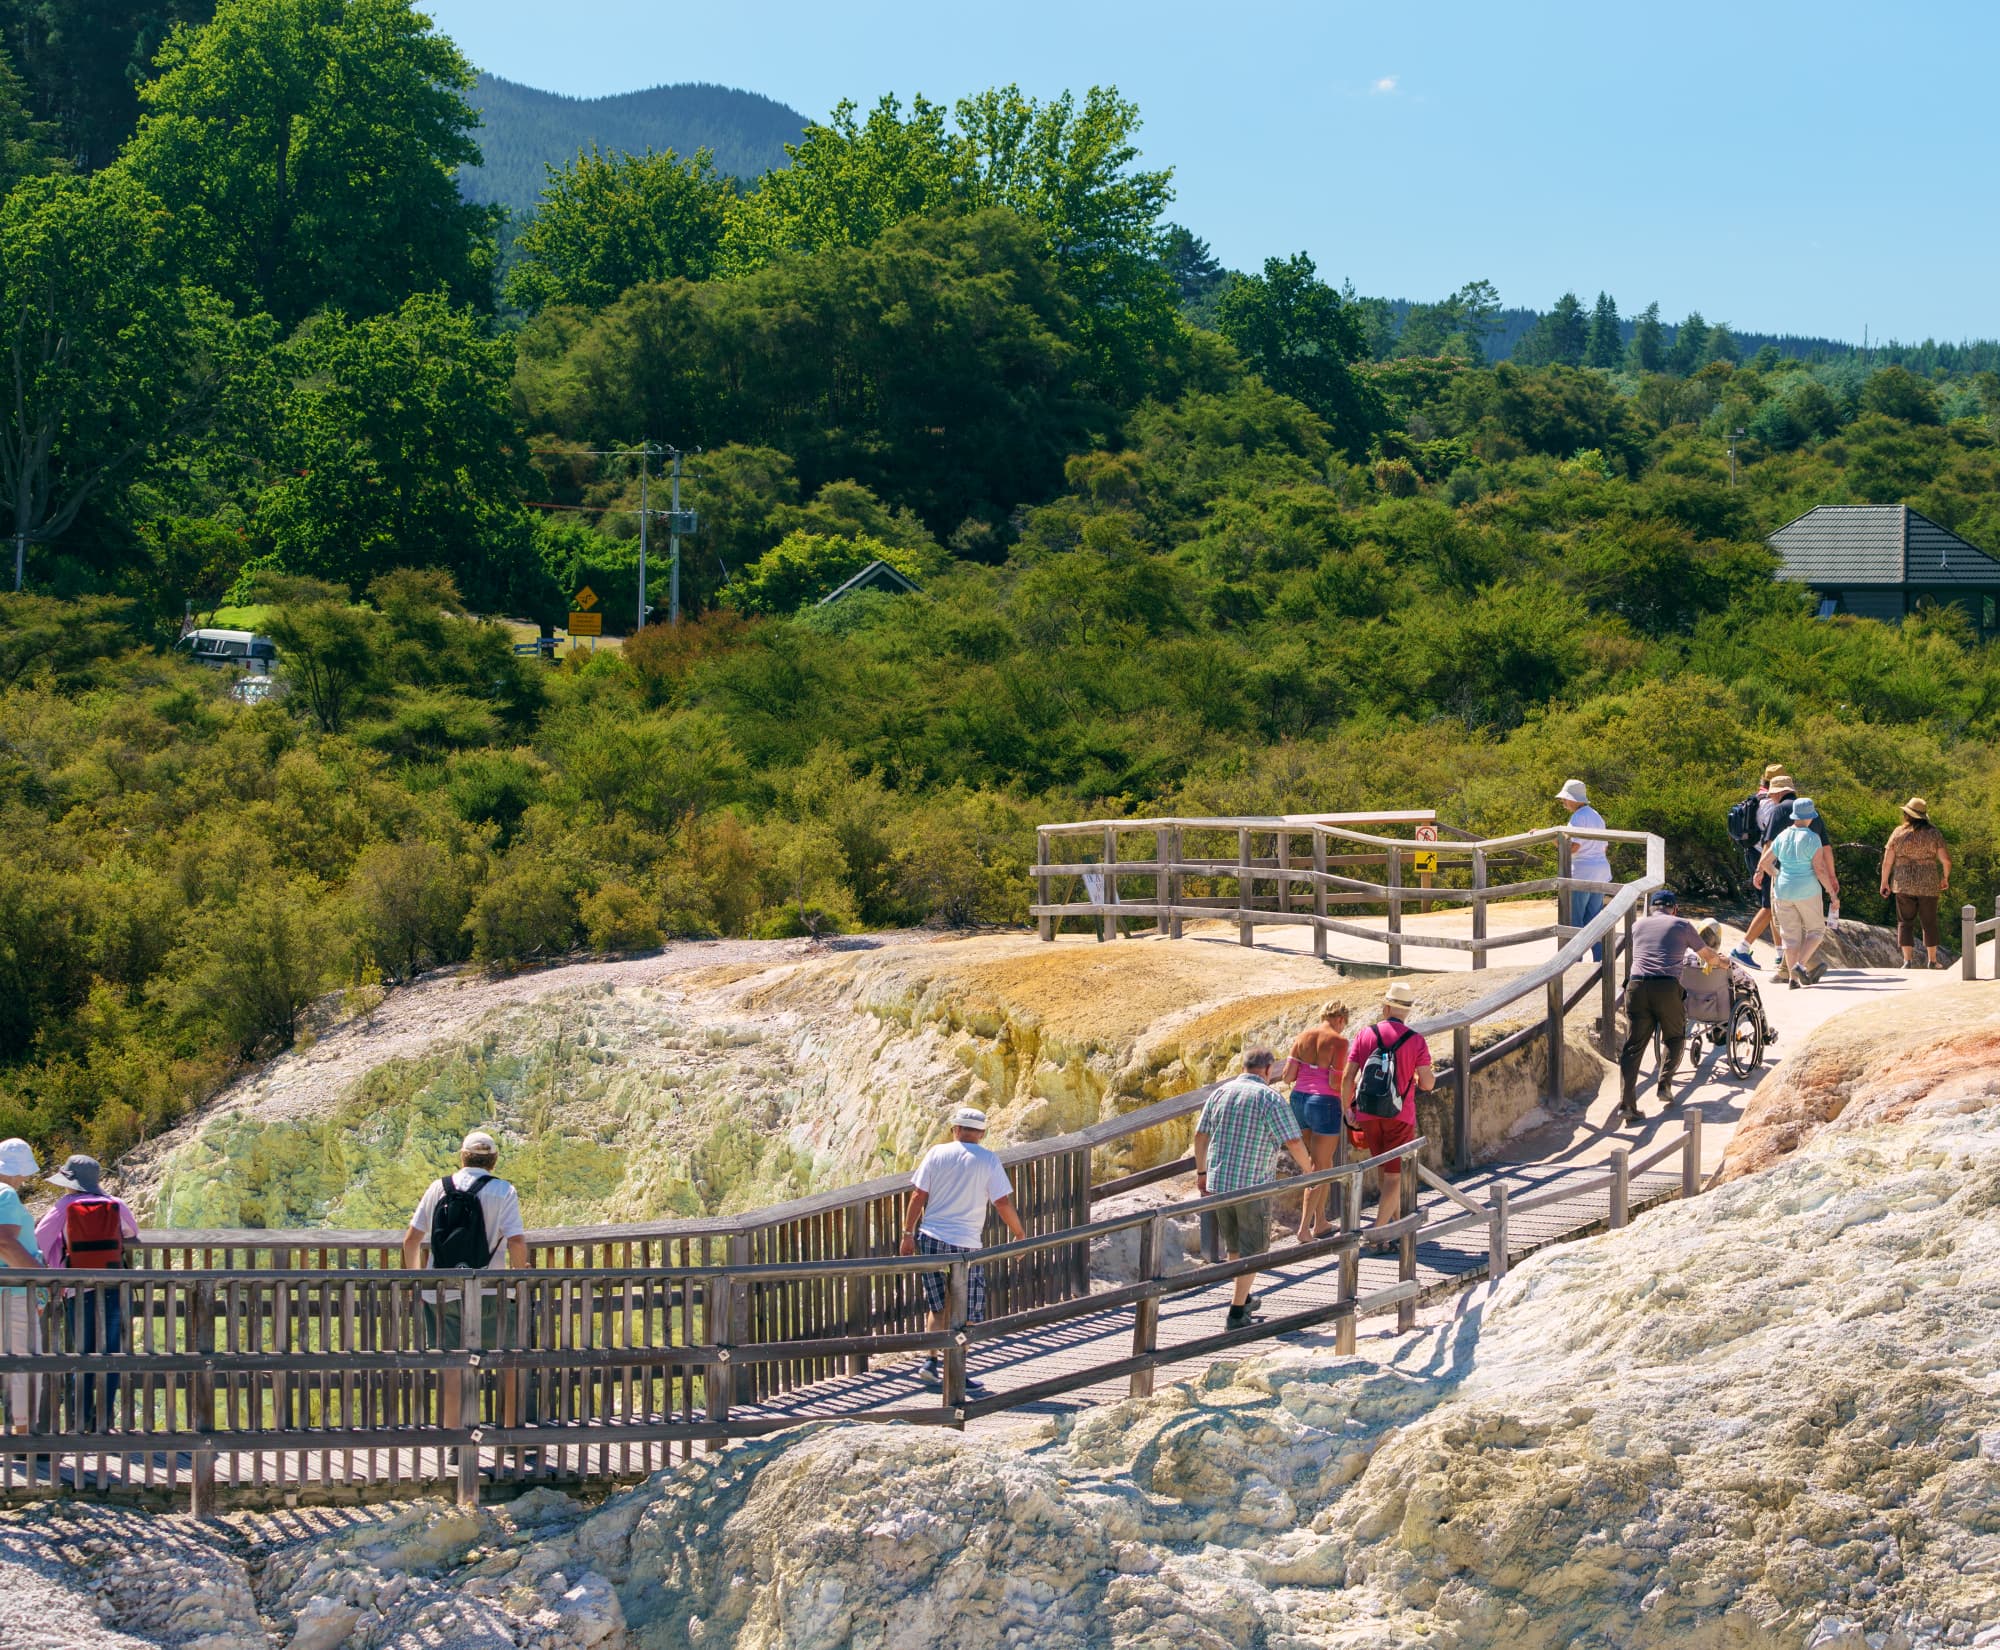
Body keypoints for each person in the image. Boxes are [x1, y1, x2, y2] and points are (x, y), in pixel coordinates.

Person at [403, 1130, 527, 1432]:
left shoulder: (438, 1188)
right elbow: (516, 1242)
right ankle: (508, 1436)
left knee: (452, 1366)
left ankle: (454, 1440)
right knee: (506, 1361)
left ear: (462, 1157)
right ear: (494, 1161)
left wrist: (421, 1283)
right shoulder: (503, 1191)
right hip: (490, 1293)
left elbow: (411, 1241)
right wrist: (519, 1277)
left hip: (443, 1293)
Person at [899, 1106, 1028, 1392]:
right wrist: (1019, 1235)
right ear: (981, 1133)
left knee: (938, 1303)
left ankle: (930, 1362)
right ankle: (957, 1370)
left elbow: (918, 1194)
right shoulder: (988, 1160)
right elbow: (1002, 1202)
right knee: (968, 1307)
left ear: (955, 1129)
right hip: (967, 1245)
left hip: (931, 1237)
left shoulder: (936, 1153)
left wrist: (908, 1234)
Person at [1195, 1050, 1313, 1329]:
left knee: (1235, 1245)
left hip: (1220, 1182)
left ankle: (1244, 1297)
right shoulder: (1268, 1098)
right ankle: (1236, 1312)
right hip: (1252, 1184)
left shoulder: (1221, 1093)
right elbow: (1293, 1141)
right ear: (1268, 1069)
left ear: (1244, 1066)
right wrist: (1310, 1170)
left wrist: (1202, 1172)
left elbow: (1201, 1135)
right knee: (1255, 1249)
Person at [36, 1155, 138, 1432]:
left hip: (78, 1289)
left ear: (69, 1182)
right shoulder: (114, 1203)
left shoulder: (64, 1205)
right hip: (114, 1287)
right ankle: (105, 1422)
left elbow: (40, 1240)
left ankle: (79, 1422)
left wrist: (59, 1256)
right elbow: (132, 1231)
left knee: (81, 1354)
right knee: (111, 1354)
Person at [1339, 980, 1436, 1252]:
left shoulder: (1365, 1034)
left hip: (1368, 1113)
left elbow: (1348, 1077)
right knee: (1395, 1175)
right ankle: (1379, 1234)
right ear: (1407, 1011)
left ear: (1386, 1007)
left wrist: (1347, 1109)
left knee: (1384, 1169)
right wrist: (1420, 1076)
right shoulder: (1416, 1040)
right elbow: (1427, 1084)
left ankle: (1395, 1229)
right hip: (1399, 1114)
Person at [1618, 890, 1726, 1121]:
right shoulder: (1682, 924)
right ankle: (1664, 1084)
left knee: (1633, 1047)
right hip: (1666, 987)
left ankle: (1627, 1104)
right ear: (1674, 909)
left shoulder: (1637, 926)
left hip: (1636, 986)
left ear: (1651, 909)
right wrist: (1722, 962)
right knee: (1675, 1037)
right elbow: (1707, 955)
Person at [1280, 1003, 1350, 1242]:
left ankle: (1321, 1222)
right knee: (1319, 1168)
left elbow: (1288, 1075)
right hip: (1324, 1102)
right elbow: (1334, 1082)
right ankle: (1303, 1229)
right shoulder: (1339, 1042)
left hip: (1299, 1099)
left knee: (1321, 1163)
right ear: (1341, 1019)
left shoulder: (1302, 1037)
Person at [1758, 798, 1840, 988]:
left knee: (1790, 936)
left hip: (1783, 890)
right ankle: (1799, 966)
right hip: (1807, 890)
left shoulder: (1782, 836)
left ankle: (1792, 980)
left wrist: (1777, 875)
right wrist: (1832, 895)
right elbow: (1819, 869)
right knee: (1816, 931)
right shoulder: (1812, 837)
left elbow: (1764, 863)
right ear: (1810, 817)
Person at [1880, 797, 1951, 970]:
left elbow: (1887, 861)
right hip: (1928, 882)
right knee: (1929, 922)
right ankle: (1932, 961)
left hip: (1903, 882)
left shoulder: (1898, 833)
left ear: (1907, 815)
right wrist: (1945, 878)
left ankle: (1907, 961)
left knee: (1905, 921)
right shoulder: (1934, 833)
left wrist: (1884, 882)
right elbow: (1946, 860)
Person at [1729, 764, 1788, 968]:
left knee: (1772, 904)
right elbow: (1769, 839)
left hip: (1752, 854)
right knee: (1768, 906)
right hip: (1763, 857)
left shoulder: (1757, 799)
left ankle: (1780, 954)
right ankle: (1741, 948)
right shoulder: (1771, 805)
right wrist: (1762, 867)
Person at [0, 1139, 40, 1432]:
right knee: (23, 1361)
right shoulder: (6, 1194)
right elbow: (4, 1241)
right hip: (12, 1290)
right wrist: (40, 1275)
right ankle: (25, 1434)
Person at [1557, 780, 1613, 962]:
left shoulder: (1578, 818)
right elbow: (1604, 847)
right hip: (1600, 873)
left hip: (1582, 873)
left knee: (1575, 918)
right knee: (1594, 918)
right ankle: (1600, 958)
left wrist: (1555, 841)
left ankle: (1574, 959)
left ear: (1575, 800)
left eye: (1565, 799)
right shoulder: (1597, 816)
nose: (1563, 803)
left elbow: (1573, 847)